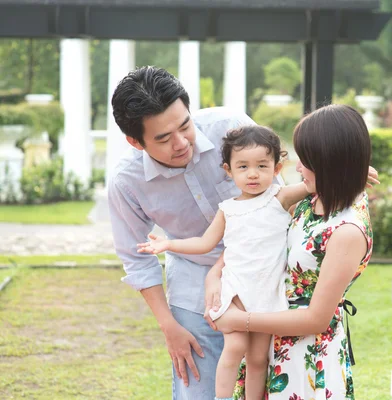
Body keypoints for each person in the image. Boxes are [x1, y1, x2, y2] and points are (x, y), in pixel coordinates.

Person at [107, 66, 279, 399]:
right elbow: (136, 259)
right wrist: (169, 327)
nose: (181, 142)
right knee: (198, 391)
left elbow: (276, 200)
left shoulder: (230, 127)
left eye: (185, 126)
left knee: (273, 381)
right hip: (193, 288)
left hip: (263, 276)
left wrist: (342, 174)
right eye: (162, 138)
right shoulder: (125, 182)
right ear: (134, 141)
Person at [208, 104, 374, 399]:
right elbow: (257, 242)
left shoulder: (347, 230)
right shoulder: (314, 200)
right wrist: (214, 275)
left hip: (306, 357)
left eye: (306, 160)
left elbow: (316, 319)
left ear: (329, 162)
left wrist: (240, 321)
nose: (297, 168)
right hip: (271, 343)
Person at [136, 125, 309, 400]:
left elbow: (317, 183)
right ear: (229, 171)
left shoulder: (280, 197)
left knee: (257, 357)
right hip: (236, 289)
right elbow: (204, 243)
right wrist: (168, 244)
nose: (253, 174)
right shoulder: (228, 209)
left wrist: (356, 172)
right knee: (235, 346)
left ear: (277, 169)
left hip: (268, 291)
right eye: (243, 167)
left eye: (262, 166)